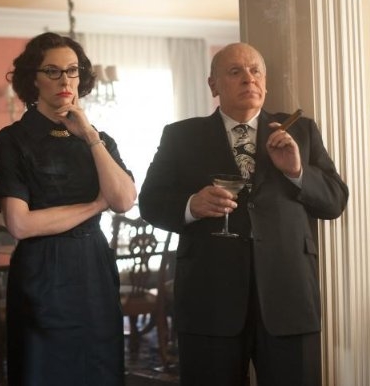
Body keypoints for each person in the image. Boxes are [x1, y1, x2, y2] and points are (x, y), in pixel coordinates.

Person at [138, 42, 348, 386]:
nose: (248, 78)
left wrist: (297, 172)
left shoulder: (301, 131)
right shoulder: (180, 136)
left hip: (289, 299)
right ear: (213, 85)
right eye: (235, 72)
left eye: (255, 71)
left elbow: (335, 201)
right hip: (209, 298)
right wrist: (191, 206)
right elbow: (150, 202)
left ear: (265, 82)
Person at [0, 32, 136, 386]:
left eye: (72, 70)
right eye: (52, 71)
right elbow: (20, 224)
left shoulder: (100, 139)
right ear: (33, 79)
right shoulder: (12, 139)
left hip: (95, 267)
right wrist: (95, 205)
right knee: (44, 372)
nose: (65, 80)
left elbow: (123, 200)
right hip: (41, 272)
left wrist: (90, 136)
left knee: (100, 370)